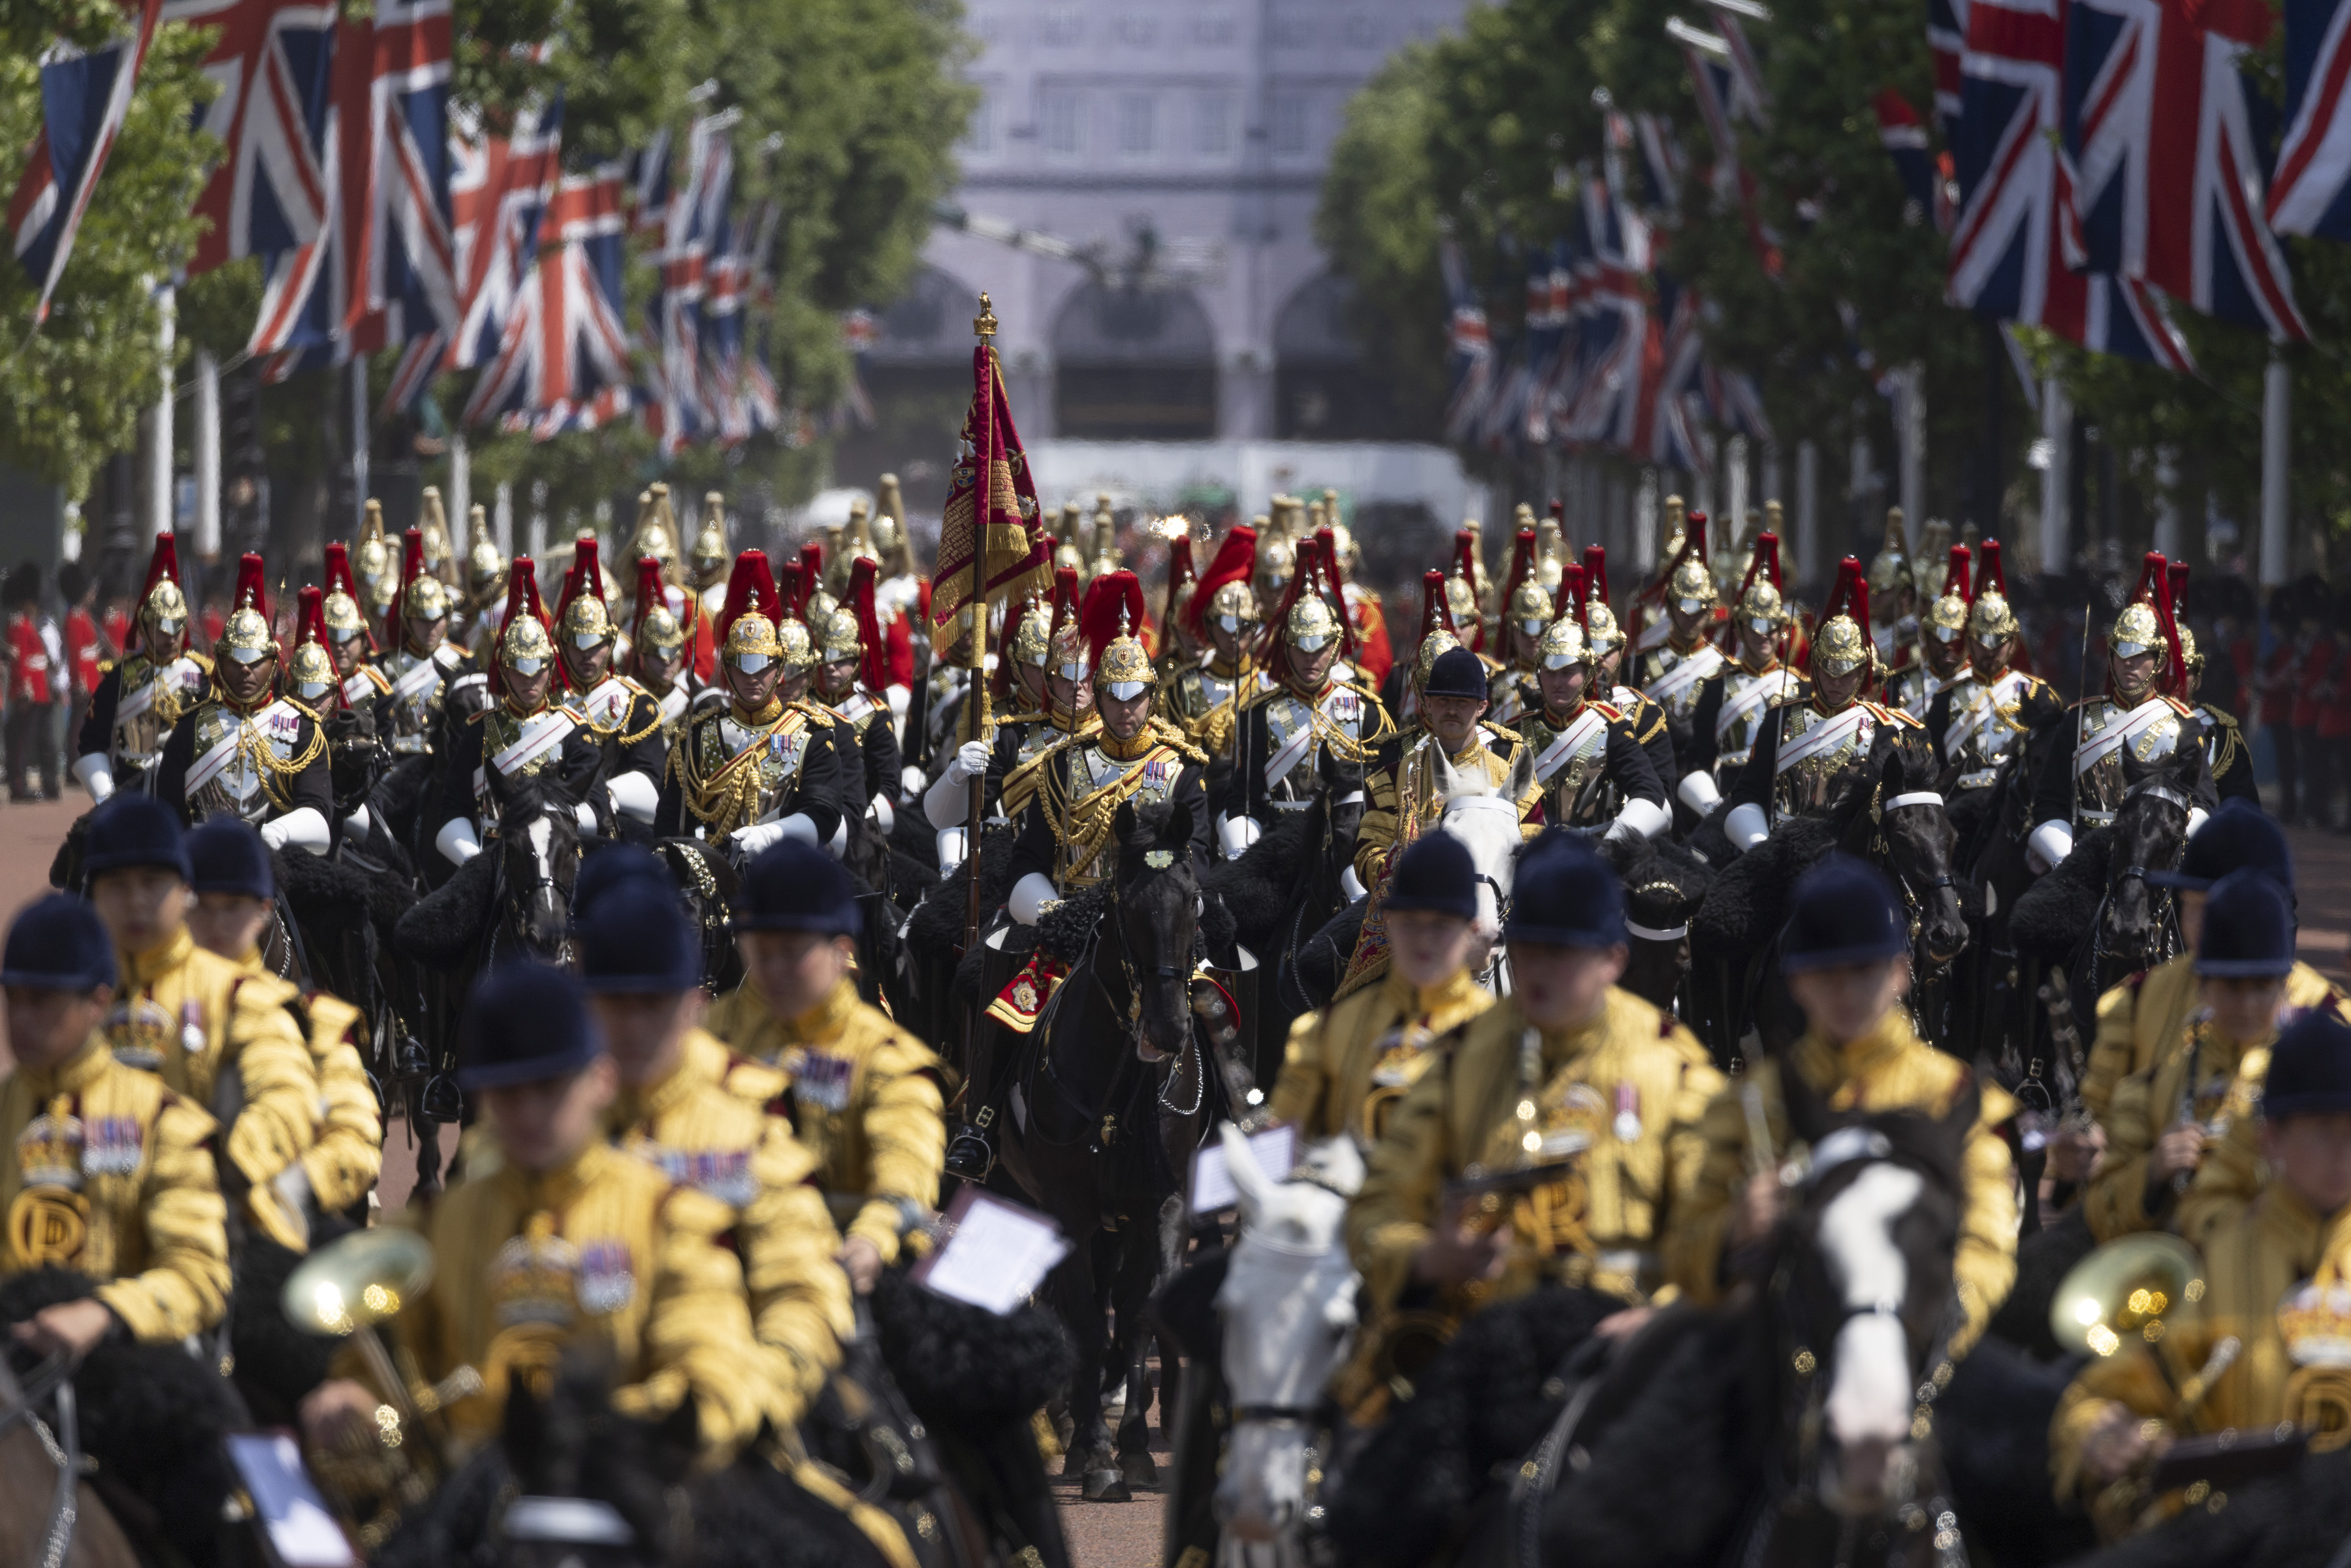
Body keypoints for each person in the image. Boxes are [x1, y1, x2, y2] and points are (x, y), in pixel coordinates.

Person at [298, 963, 768, 1460]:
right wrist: (355, 1401)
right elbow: (380, 1374)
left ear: (601, 1081)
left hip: (629, 1483)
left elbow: (712, 1372)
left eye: (549, 1088)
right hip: (474, 1505)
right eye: (507, 1092)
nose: (528, 1113)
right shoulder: (432, 1226)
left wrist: (603, 1430)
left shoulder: (669, 1216)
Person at [1347, 837, 1723, 1323]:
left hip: (1629, 1339)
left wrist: (1664, 1317)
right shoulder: (1457, 1057)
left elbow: (1721, 1222)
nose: (1539, 970)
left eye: (1562, 953)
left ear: (1613, 959)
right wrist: (1426, 1255)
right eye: (1526, 950)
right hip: (1486, 1330)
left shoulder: (1676, 1065)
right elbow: (1375, 1207)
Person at [1663, 855, 2017, 1354]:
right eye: (1826, 974)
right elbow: (1682, 1246)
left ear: (1900, 973)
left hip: (1927, 1340)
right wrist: (1733, 1230)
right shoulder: (1748, 1102)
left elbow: (1988, 1243)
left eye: (1864, 970)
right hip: (1780, 1346)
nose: (1846, 991)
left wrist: (1932, 1330)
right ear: (1796, 982)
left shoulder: (1954, 1095)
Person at [2049, 1008, 2351, 1540]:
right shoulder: (2209, 1266)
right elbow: (2098, 1398)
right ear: (2272, 1138)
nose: (2345, 1152)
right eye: (2325, 1131)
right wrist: (2097, 1433)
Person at [576, 876, 852, 1427]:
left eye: (651, 1003)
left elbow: (802, 1288)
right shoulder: (537, 1130)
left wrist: (750, 1397)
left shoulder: (748, 1134)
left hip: (727, 1408)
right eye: (613, 1003)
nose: (631, 1025)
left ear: (692, 1006)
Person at [81, 794, 320, 1251]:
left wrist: (210, 1168)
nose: (134, 902)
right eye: (114, 885)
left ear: (180, 889)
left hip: (225, 1225)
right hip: (98, 1232)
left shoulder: (241, 995)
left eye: (152, 883)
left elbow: (286, 1100)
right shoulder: (79, 999)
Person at [705, 840, 944, 1294]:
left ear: (842, 951)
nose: (773, 968)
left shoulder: (887, 1057)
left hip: (851, 1269)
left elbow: (905, 1167)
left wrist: (871, 1237)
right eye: (760, 949)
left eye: (792, 951)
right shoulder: (712, 1033)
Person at [0, 893, 231, 1352]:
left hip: (123, 1362)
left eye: (42, 1000)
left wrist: (107, 1312)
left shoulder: (167, 1121)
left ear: (97, 1003)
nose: (21, 1019)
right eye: (13, 998)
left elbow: (200, 1274)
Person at [2079, 801, 2339, 1121]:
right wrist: (2147, 1167)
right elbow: (2098, 1124)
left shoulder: (2329, 1013)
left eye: (2216, 908)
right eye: (2192, 907)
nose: (2202, 927)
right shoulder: (2134, 1001)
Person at [2085, 869, 2305, 1242]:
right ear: (2201, 986)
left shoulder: (2317, 1077)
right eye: (2232, 986)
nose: (2247, 1005)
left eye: (2263, 986)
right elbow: (2099, 1212)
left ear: (2284, 988)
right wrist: (2152, 1170)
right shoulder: (2149, 1087)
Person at [183, 817, 381, 1223]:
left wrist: (290, 1193)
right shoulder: (146, 1013)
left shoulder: (320, 1019)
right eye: (203, 906)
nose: (218, 923)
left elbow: (354, 1138)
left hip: (279, 1226)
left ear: (263, 911)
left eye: (234, 906)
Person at [1271, 829, 1495, 1151]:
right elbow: (1281, 1144)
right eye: (1410, 921)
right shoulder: (1323, 1032)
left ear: (1471, 930)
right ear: (1388, 921)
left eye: (1441, 924)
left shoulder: (1502, 1032)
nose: (1424, 939)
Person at [2027, 552, 2214, 874]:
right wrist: (2065, 858)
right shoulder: (2078, 720)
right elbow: (2050, 799)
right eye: (2121, 652)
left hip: (2155, 865)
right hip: (2086, 857)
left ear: (2158, 660)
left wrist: (2172, 848)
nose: (2129, 663)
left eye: (2140, 655)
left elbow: (2204, 803)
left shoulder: (2184, 725)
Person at [654, 551, 850, 856]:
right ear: (728, 669)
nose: (752, 675)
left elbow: (824, 814)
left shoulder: (812, 735)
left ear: (780, 668)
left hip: (785, 863)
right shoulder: (699, 733)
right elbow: (669, 823)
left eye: (762, 665)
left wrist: (773, 833)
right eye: (741, 665)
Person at [1724, 557, 1925, 852]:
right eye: (1828, 670)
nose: (1835, 681)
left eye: (1846, 673)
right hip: (1781, 848)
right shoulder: (1780, 718)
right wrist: (1760, 847)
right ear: (1815, 666)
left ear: (1861, 672)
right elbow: (1748, 793)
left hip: (1850, 855)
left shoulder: (1883, 730)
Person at [152, 554, 334, 857]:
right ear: (220, 662)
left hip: (277, 859)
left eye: (255, 661)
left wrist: (278, 832)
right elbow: (166, 812)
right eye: (236, 661)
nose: (245, 670)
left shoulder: (303, 728)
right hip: (201, 859)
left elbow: (317, 812)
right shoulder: (190, 727)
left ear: (274, 663)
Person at [432, 558, 609, 866]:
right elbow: (453, 807)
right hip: (493, 854)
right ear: (504, 670)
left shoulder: (573, 731)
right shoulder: (479, 731)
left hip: (557, 857)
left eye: (538, 669)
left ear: (551, 667)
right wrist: (474, 863)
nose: (529, 679)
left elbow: (596, 807)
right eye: (519, 669)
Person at [1226, 547, 1394, 865]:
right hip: (1276, 848)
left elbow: (1381, 794)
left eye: (1319, 648)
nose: (1309, 658)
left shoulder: (1367, 711)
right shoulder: (1258, 715)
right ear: (1287, 647)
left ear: (1335, 646)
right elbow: (1244, 797)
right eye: (1301, 648)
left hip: (1346, 850)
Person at [1352, 645, 1530, 896]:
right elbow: (1369, 848)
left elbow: (1532, 842)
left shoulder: (1508, 775)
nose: (1452, 710)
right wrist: (1406, 875)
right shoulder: (1392, 778)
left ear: (1482, 707)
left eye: (1462, 701)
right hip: (1413, 907)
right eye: (1443, 700)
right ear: (1427, 703)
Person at [1925, 541, 2061, 851]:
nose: (1989, 651)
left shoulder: (2038, 694)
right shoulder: (1946, 698)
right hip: (1958, 813)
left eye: (1998, 643)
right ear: (1969, 641)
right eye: (1982, 642)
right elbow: (1935, 765)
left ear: (2013, 644)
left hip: (2017, 811)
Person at [1508, 598, 1669, 841]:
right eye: (1549, 673)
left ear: (1588, 674)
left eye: (1567, 672)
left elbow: (1649, 791)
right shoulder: (1514, 732)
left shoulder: (1613, 728)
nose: (1557, 683)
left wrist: (1612, 846)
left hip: (1598, 854)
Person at [73, 531, 213, 802]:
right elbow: (92, 741)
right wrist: (105, 796)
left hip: (186, 793)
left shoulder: (201, 675)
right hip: (131, 790)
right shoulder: (120, 677)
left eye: (177, 627)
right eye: (162, 627)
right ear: (146, 626)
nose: (171, 636)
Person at [1680, 533, 1802, 816]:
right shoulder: (1715, 688)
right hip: (1728, 796)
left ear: (1782, 629)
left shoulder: (1799, 687)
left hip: (1782, 800)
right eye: (1756, 626)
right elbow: (1700, 758)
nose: (1764, 635)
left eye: (1772, 626)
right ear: (1740, 628)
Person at [552, 536, 667, 833]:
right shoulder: (549, 702)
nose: (587, 654)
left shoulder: (637, 705)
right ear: (563, 645)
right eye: (577, 644)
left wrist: (604, 797)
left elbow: (650, 779)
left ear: (611, 642)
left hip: (616, 823)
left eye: (595, 644)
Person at [812, 560, 905, 837]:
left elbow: (889, 783)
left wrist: (863, 818)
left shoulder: (874, 713)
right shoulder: (802, 706)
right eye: (826, 658)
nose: (830, 666)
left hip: (859, 821)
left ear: (857, 662)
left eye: (841, 660)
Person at [1631, 513, 1725, 774]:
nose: (1691, 617)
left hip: (1704, 772)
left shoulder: (1723, 667)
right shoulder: (1644, 662)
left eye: (1699, 609)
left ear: (1709, 612)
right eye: (1684, 607)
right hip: (1652, 769)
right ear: (1671, 608)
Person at [1161, 524, 1262, 764]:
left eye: (1244, 625)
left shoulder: (1268, 684)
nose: (1236, 635)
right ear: (1209, 625)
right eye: (1227, 624)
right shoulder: (1180, 688)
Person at [375, 529, 475, 765]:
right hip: (398, 764)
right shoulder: (385, 664)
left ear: (447, 617)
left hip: (446, 762)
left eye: (436, 620)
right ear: (408, 620)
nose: (430, 628)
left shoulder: (464, 663)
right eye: (422, 620)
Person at [1887, 543, 1971, 721]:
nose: (1947, 647)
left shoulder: (1978, 683)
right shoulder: (1903, 685)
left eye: (1954, 640)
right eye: (1938, 640)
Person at [5, 562, 61, 801]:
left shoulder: (30, 622)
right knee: (19, 743)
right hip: (27, 691)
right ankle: (18, 786)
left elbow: (39, 658)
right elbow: (19, 660)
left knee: (32, 740)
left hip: (39, 689)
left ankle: (33, 784)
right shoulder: (18, 623)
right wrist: (24, 688)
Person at [1486, 528, 1553, 725]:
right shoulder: (1495, 684)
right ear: (1512, 628)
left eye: (1541, 628)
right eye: (1525, 628)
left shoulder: (1559, 683)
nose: (1533, 637)